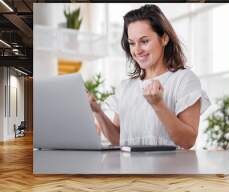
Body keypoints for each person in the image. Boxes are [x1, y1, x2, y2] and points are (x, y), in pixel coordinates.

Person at [88, 4, 210, 149]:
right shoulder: (126, 87)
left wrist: (158, 104)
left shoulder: (184, 79)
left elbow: (188, 141)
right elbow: (118, 140)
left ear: (164, 39)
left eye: (144, 41)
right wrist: (98, 112)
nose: (137, 50)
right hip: (129, 171)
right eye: (132, 43)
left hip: (168, 171)